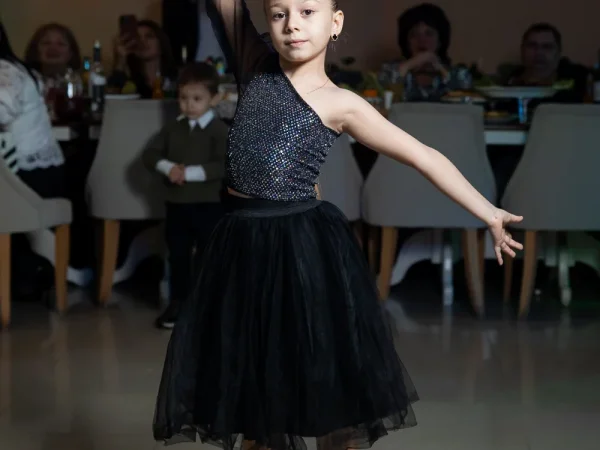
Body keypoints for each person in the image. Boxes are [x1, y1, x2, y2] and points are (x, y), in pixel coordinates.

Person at [153, 1, 524, 449]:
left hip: (297, 245)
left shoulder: (342, 103)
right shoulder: (254, 65)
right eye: (279, 14)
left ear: (336, 22)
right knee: (253, 386)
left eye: (308, 12)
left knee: (317, 378)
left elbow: (423, 156)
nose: (292, 24)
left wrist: (488, 212)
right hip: (240, 242)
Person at [143, 62, 228, 329]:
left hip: (208, 205)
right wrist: (168, 168)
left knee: (207, 256)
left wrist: (188, 173)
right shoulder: (173, 128)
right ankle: (178, 302)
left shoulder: (219, 130)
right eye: (183, 98)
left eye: (197, 99)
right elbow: (150, 155)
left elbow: (225, 165)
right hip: (177, 204)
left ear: (214, 98)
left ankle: (207, 306)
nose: (189, 105)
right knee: (177, 256)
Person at [0, 21, 66, 298]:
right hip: (32, 170)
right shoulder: (17, 68)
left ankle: (31, 271)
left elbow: (2, 111)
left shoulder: (5, 71)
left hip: (30, 174)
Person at [109, 20, 176, 98]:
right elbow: (111, 94)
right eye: (138, 37)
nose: (142, 41)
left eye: (149, 36)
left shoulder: (176, 78)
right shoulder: (130, 82)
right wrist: (120, 60)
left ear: (161, 42)